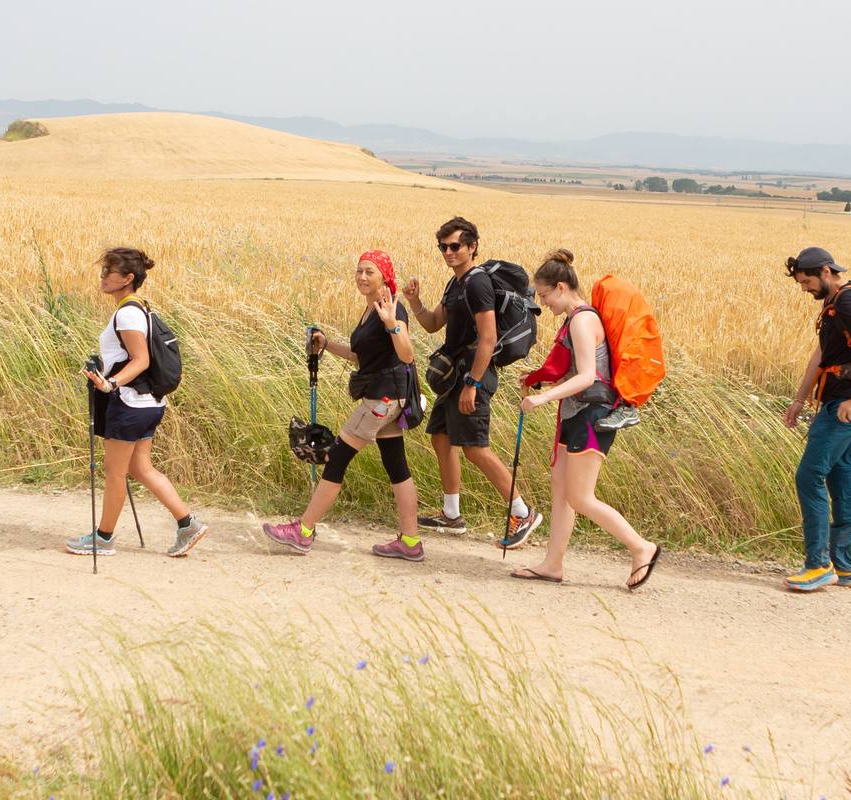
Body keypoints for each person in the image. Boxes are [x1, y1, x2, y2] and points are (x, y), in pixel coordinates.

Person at [509, 250, 660, 590]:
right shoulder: (578, 318)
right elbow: (581, 372)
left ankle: (642, 547)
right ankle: (552, 564)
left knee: (580, 497)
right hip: (579, 414)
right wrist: (545, 381)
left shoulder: (580, 320)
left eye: (545, 295)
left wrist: (543, 397)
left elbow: (589, 377)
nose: (544, 303)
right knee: (561, 489)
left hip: (592, 417)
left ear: (561, 287)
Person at [263, 251, 425, 561]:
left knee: (337, 458)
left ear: (385, 277)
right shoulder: (371, 309)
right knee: (396, 465)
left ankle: (304, 531)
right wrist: (327, 345)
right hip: (389, 397)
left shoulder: (392, 309)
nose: (363, 277)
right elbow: (361, 357)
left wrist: (392, 324)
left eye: (370, 272)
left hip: (382, 399)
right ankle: (410, 541)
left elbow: (407, 354)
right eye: (360, 271)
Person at [402, 217, 542, 549]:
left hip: (471, 376)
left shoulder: (477, 284)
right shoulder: (456, 284)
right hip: (455, 378)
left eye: (455, 246)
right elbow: (435, 324)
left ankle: (522, 512)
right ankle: (452, 515)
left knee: (475, 448)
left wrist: (473, 384)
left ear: (472, 247)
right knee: (440, 436)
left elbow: (489, 339)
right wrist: (415, 302)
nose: (448, 252)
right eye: (443, 247)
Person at [65, 247, 209, 558]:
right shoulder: (139, 308)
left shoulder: (128, 312)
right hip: (149, 403)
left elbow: (141, 360)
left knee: (115, 472)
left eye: (109, 271)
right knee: (141, 468)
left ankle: (103, 538)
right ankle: (188, 524)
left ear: (128, 278)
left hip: (129, 403)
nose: (103, 277)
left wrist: (110, 383)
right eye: (103, 270)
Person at [781, 246, 851, 592]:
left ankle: (818, 565)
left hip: (844, 404)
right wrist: (799, 399)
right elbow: (821, 355)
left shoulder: (848, 302)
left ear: (826, 272)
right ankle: (845, 567)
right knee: (843, 479)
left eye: (807, 281)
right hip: (835, 401)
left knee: (809, 475)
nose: (804, 288)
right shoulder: (833, 305)